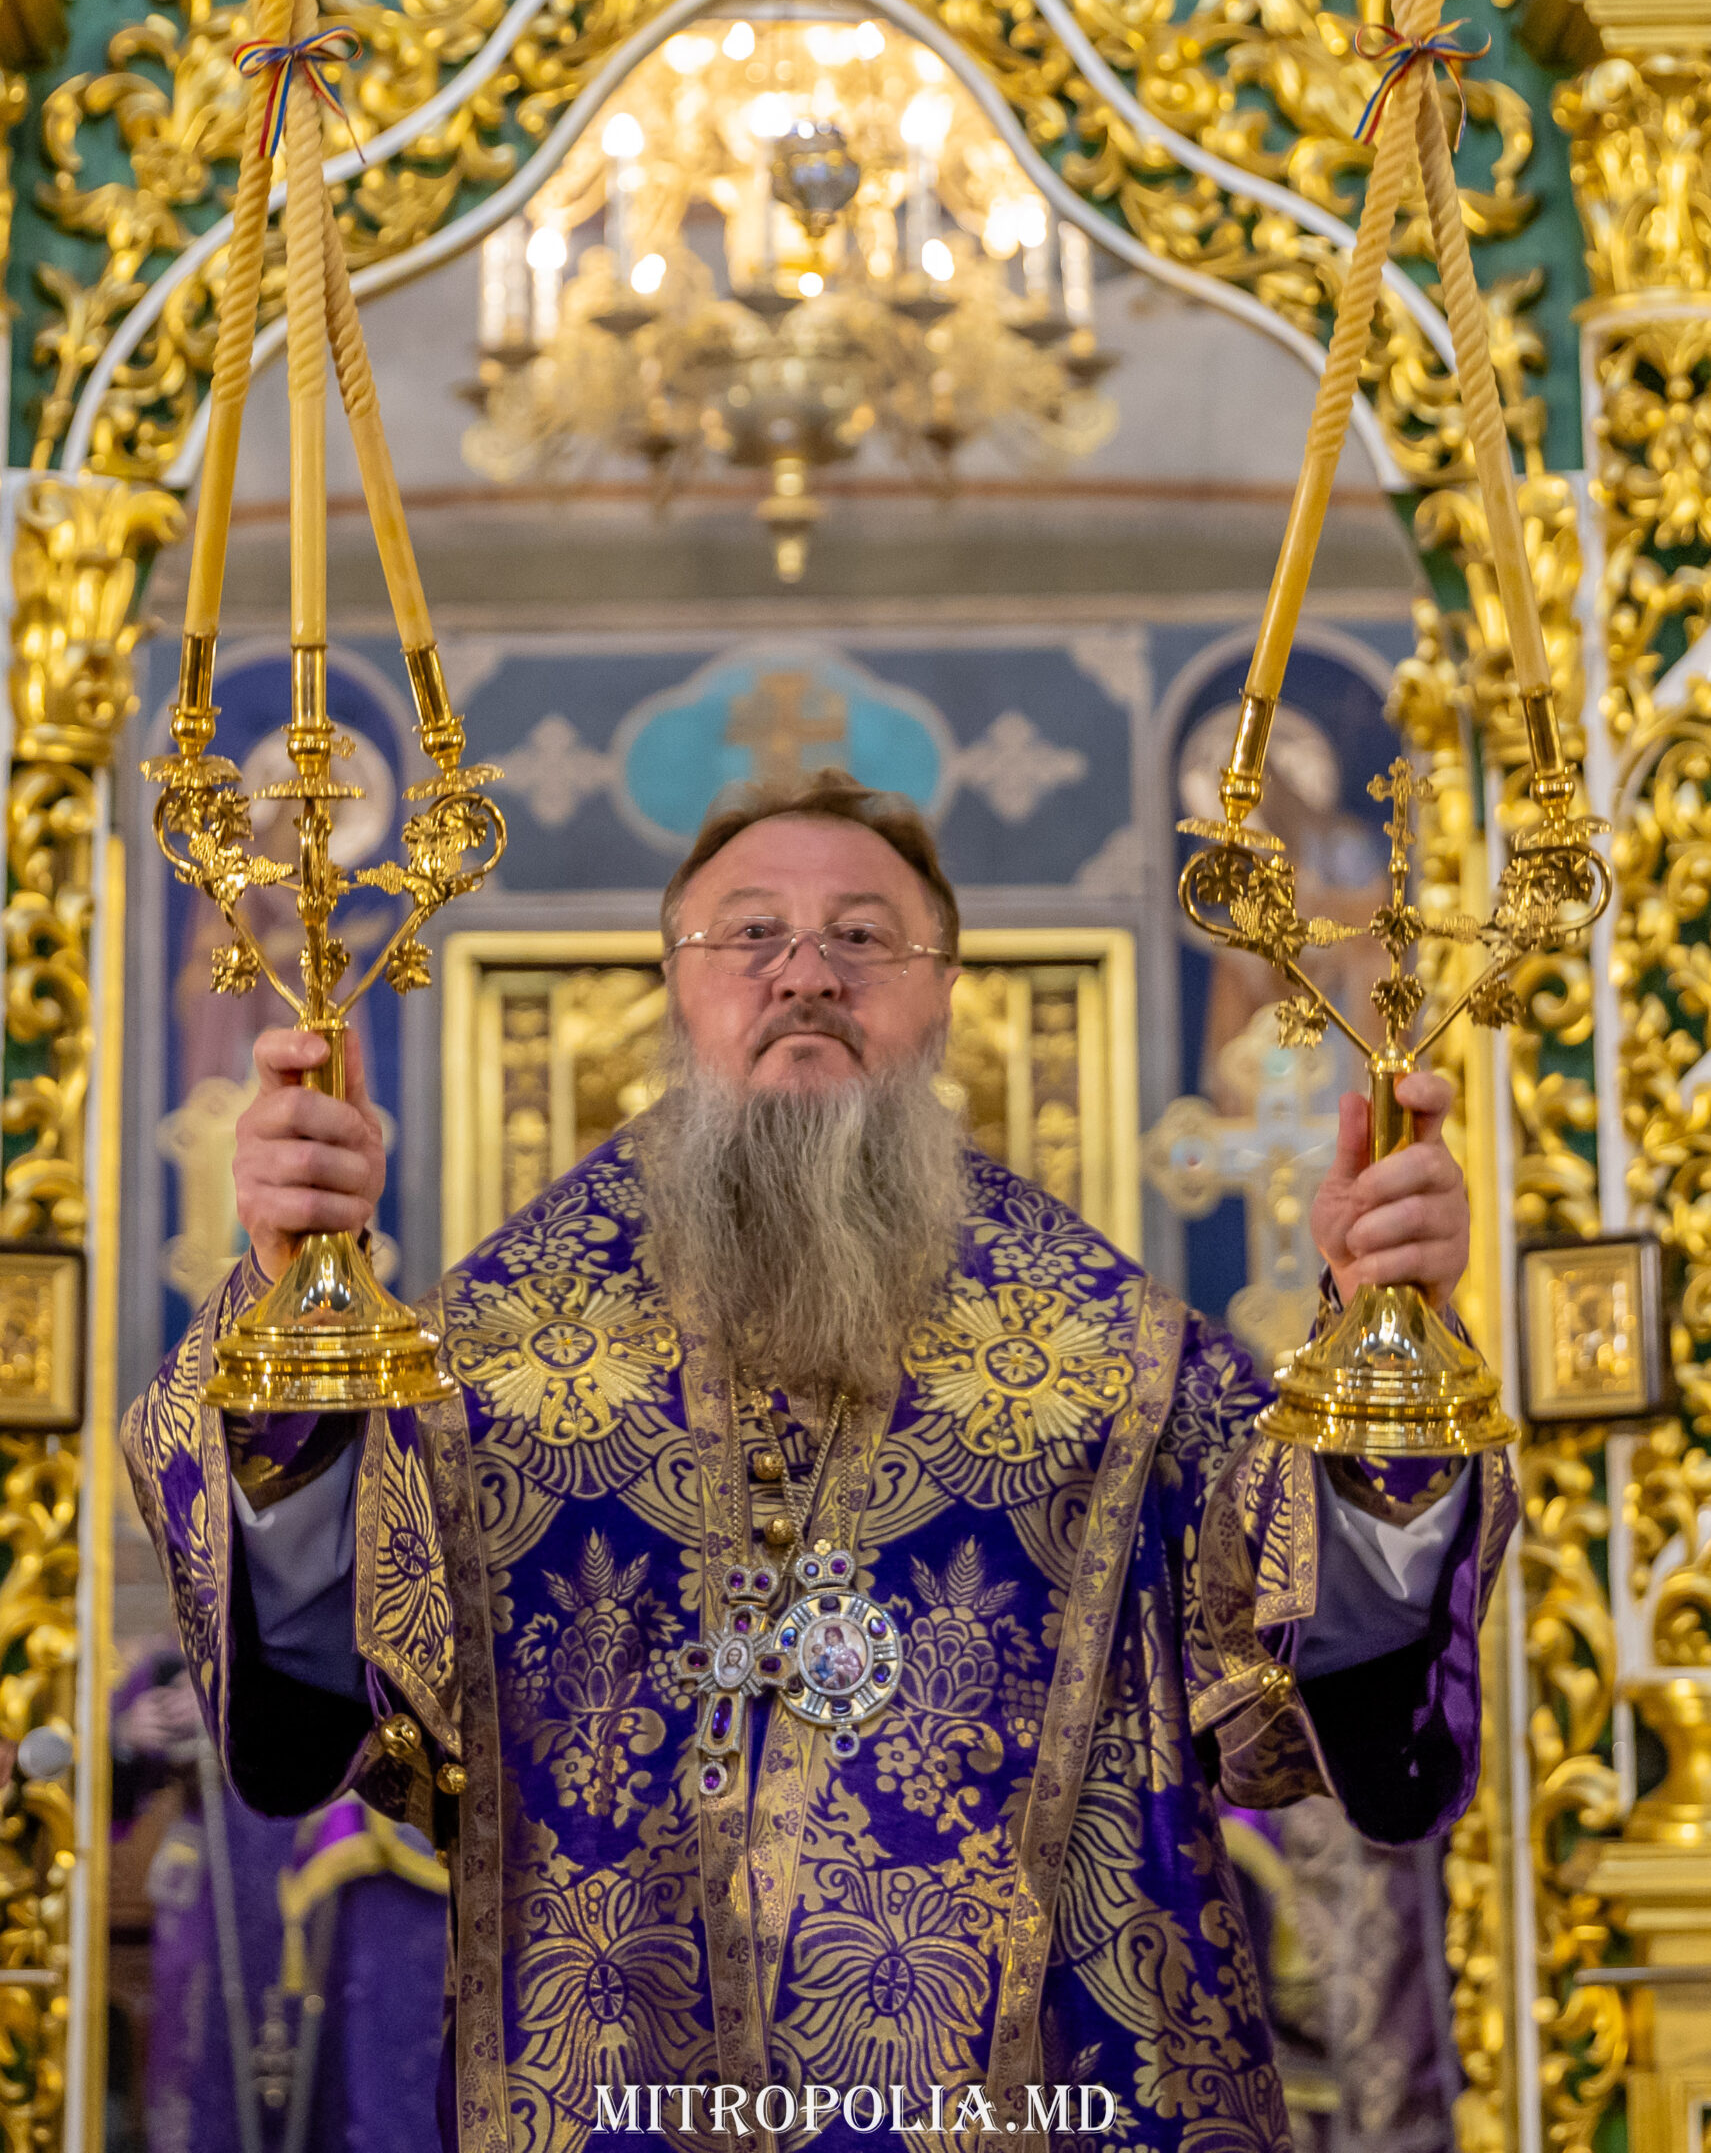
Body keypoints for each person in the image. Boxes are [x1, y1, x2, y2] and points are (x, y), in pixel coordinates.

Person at [125, 770, 1513, 2153]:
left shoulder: (1121, 1364)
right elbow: (319, 1697)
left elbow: (1332, 1689)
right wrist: (288, 1313)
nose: (806, 973)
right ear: (676, 985)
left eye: (863, 936)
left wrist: (1384, 1351)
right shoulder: (488, 1357)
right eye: (750, 934)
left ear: (943, 993)